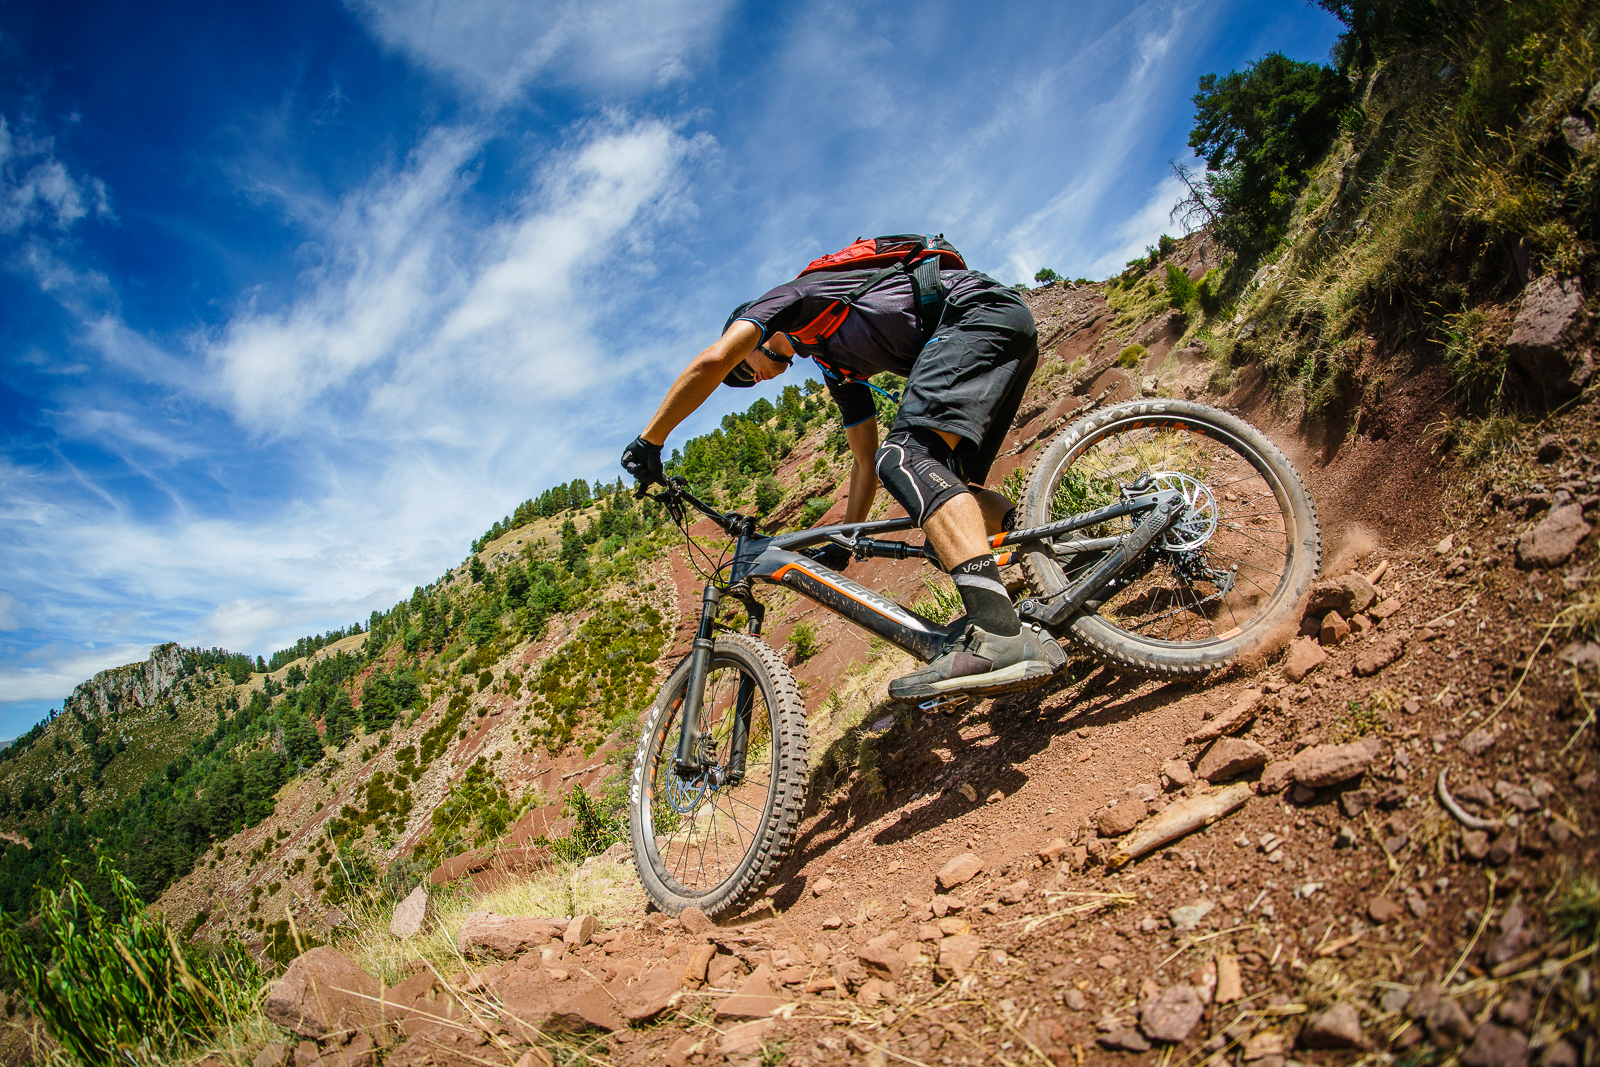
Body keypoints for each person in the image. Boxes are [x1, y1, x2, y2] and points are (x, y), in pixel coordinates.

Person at [621, 252, 1058, 699]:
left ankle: (1000, 636)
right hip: (999, 327)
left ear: (749, 329)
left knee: (904, 456)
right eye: (746, 381)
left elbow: (712, 361)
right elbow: (864, 459)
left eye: (745, 368)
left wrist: (650, 440)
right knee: (948, 497)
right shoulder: (835, 364)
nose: (754, 379)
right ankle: (1059, 567)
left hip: (976, 316)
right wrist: (845, 537)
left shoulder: (794, 297)